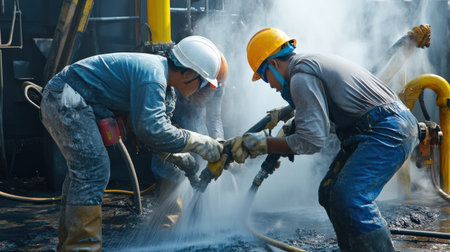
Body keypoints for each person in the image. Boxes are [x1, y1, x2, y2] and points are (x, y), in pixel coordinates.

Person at [231, 28, 418, 251]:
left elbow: (312, 141)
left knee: (351, 197)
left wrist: (263, 143)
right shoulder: (308, 65)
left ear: (272, 64)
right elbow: (327, 122)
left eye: (263, 76)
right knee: (329, 191)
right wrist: (295, 127)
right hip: (373, 129)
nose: (269, 84)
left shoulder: (301, 76)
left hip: (387, 128)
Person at [39, 35, 224, 251]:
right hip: (66, 98)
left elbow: (152, 138)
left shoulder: (165, 89)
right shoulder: (154, 77)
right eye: (202, 82)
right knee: (93, 171)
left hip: (70, 99)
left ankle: (69, 245)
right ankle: (82, 247)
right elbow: (152, 130)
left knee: (84, 173)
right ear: (189, 73)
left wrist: (184, 160)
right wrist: (202, 143)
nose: (201, 89)